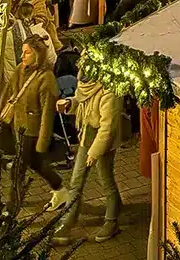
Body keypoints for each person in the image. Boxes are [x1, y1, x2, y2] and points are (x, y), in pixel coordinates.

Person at [51, 77, 124, 244]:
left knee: (106, 179)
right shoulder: (87, 83)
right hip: (87, 135)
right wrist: (70, 103)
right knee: (76, 180)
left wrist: (94, 153)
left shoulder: (110, 89)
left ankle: (111, 221)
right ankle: (67, 223)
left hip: (105, 140)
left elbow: (108, 127)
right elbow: (81, 100)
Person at [0, 36, 65, 202]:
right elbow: (8, 92)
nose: (22, 56)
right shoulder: (20, 69)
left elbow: (47, 112)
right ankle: (59, 187)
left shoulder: (46, 77)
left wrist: (42, 141)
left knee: (18, 168)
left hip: (32, 130)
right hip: (18, 125)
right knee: (36, 163)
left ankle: (12, 206)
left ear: (37, 54)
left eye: (27, 53)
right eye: (22, 52)